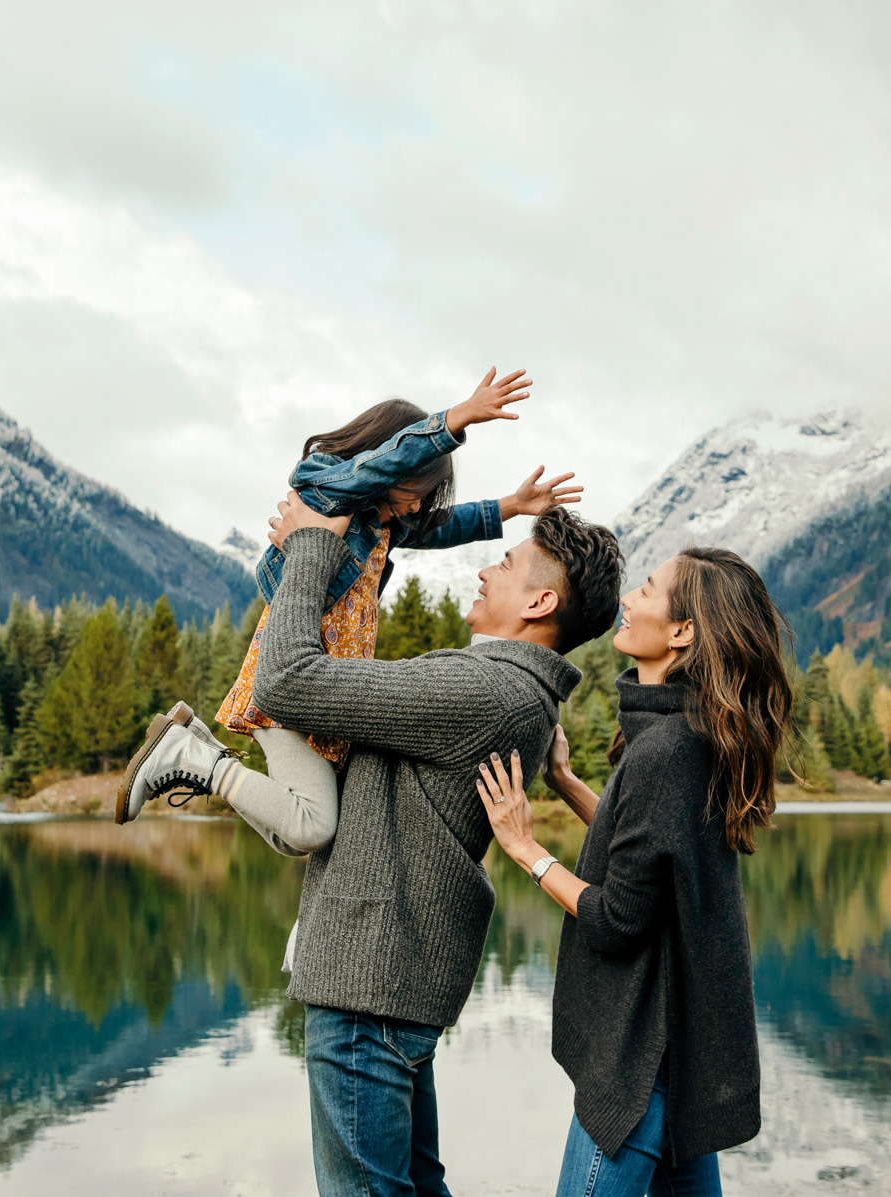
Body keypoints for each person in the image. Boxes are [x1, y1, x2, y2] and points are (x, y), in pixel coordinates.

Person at [126, 501, 624, 1197]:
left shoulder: (483, 688)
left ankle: (201, 761)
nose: (485, 569)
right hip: (394, 981)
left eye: (504, 564)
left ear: (540, 601)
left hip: (371, 987)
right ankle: (203, 762)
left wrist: (307, 550)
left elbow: (287, 682)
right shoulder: (514, 693)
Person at [115, 367, 583, 855]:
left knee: (297, 837)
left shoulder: (387, 524)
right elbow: (374, 469)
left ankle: (197, 750)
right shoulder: (331, 491)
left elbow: (441, 527)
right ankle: (189, 755)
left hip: (329, 685)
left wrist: (510, 505)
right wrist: (454, 421)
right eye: (416, 488)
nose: (418, 504)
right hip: (292, 670)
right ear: (391, 465)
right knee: (310, 827)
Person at [475, 547, 790, 1197]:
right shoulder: (688, 735)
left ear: (682, 632)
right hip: (678, 1054)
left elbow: (619, 915)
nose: (630, 598)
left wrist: (525, 848)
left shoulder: (669, 750)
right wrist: (564, 781)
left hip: (641, 1063)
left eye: (646, 589)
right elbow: (649, 854)